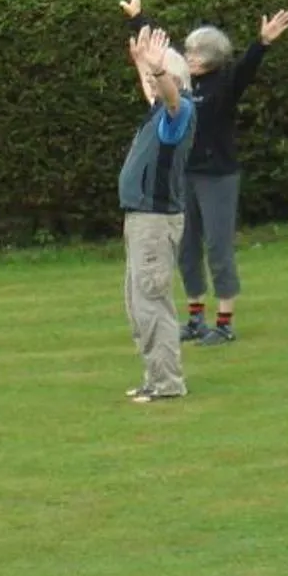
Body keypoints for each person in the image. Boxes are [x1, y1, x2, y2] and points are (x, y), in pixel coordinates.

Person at [119, 0, 288, 345]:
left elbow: (246, 69)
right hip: (187, 174)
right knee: (187, 246)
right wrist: (138, 19)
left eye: (200, 54)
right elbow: (156, 54)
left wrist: (262, 43)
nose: (192, 57)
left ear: (214, 58)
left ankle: (224, 321)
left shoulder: (224, 85)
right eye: (191, 52)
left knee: (218, 246)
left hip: (219, 176)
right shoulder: (181, 85)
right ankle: (196, 317)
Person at [117, 23, 193, 402]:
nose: (150, 79)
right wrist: (141, 63)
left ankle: (167, 384)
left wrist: (158, 70)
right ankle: (154, 376)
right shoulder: (159, 113)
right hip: (140, 220)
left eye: (157, 73)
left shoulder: (180, 113)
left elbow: (169, 95)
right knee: (136, 302)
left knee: (152, 299)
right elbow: (155, 91)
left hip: (154, 221)